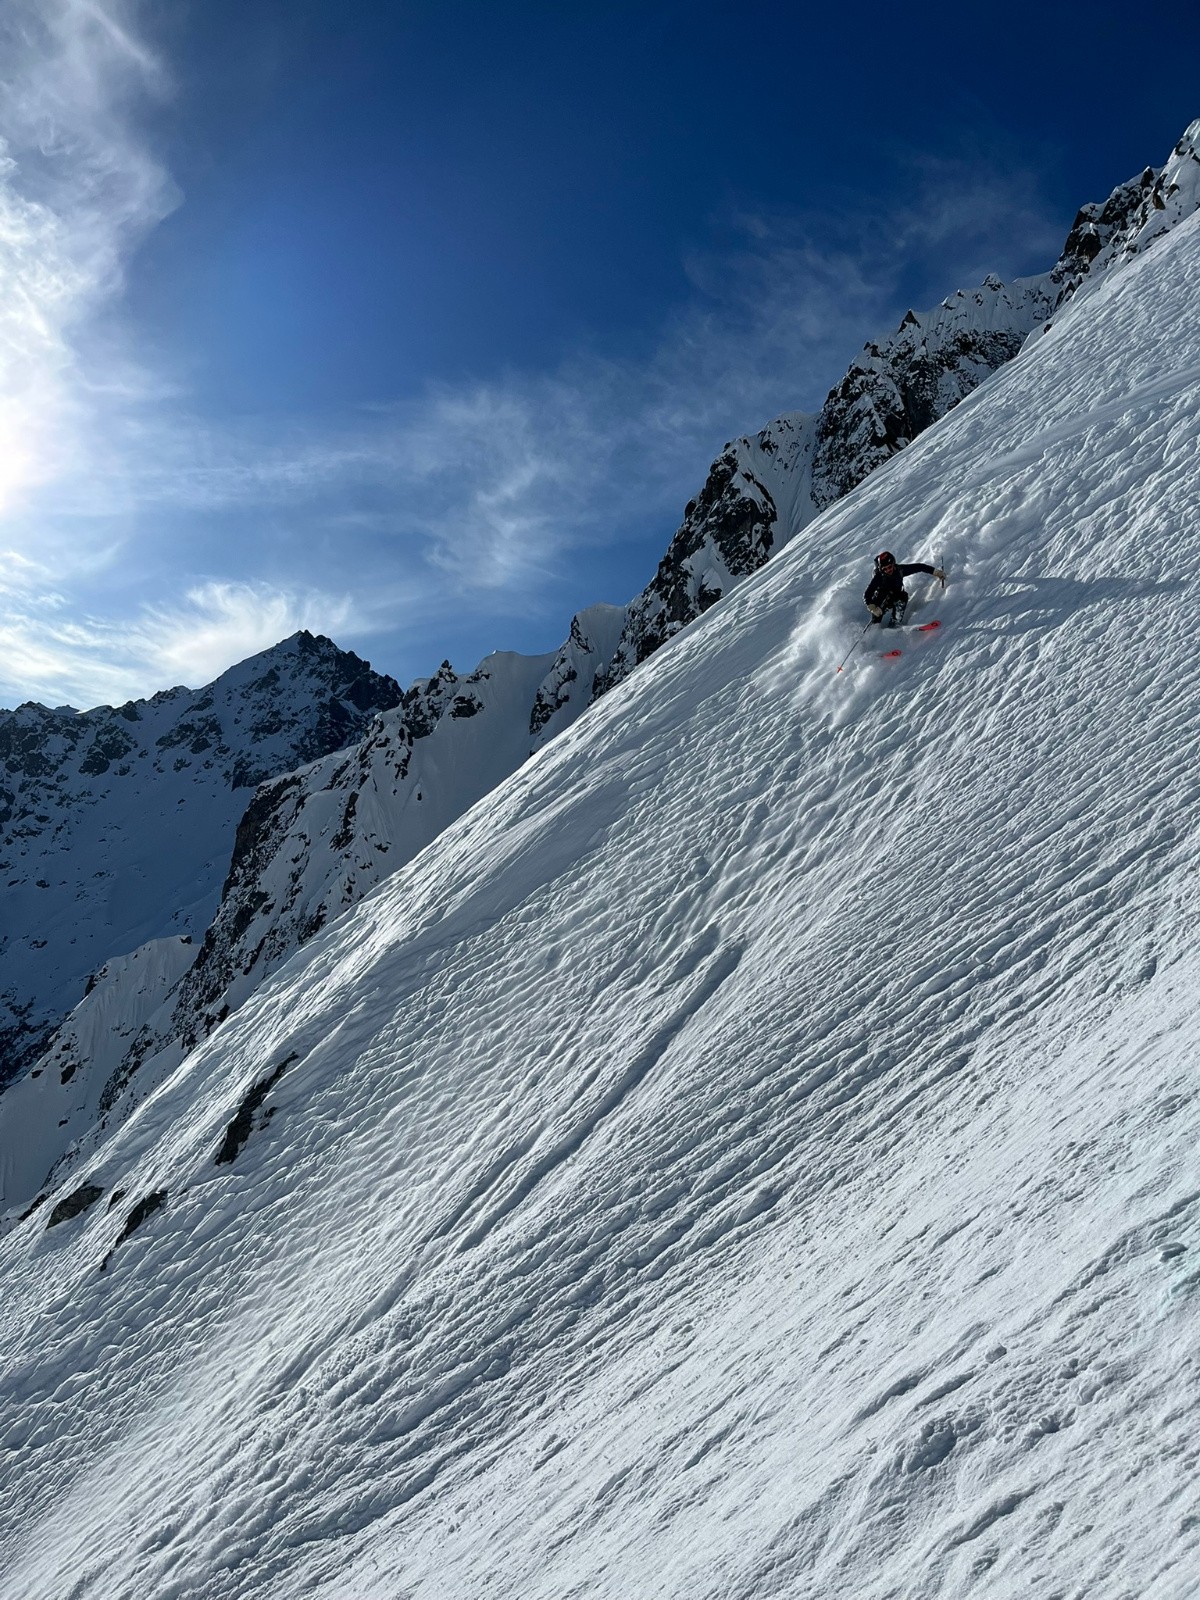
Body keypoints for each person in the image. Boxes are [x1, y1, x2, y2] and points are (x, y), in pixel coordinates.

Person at [864, 550, 946, 626]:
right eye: (884, 569)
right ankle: (873, 628)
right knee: (877, 615)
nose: (888, 570)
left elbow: (919, 567)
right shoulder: (879, 577)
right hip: (880, 599)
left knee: (903, 597)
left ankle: (895, 622)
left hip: (895, 596)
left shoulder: (900, 570)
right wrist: (873, 608)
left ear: (893, 564)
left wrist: (936, 572)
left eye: (889, 567)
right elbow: (867, 594)